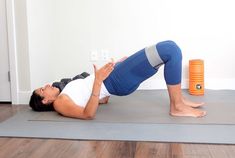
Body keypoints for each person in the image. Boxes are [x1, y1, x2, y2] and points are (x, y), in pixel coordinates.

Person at [29, 40, 206, 119]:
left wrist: (114, 69)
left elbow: (96, 98)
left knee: (171, 46)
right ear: (45, 101)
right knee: (169, 50)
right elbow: (87, 114)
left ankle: (179, 100)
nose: (46, 85)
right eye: (42, 90)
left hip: (115, 76)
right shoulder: (60, 103)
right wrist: (98, 81)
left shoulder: (66, 89)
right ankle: (176, 106)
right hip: (116, 81)